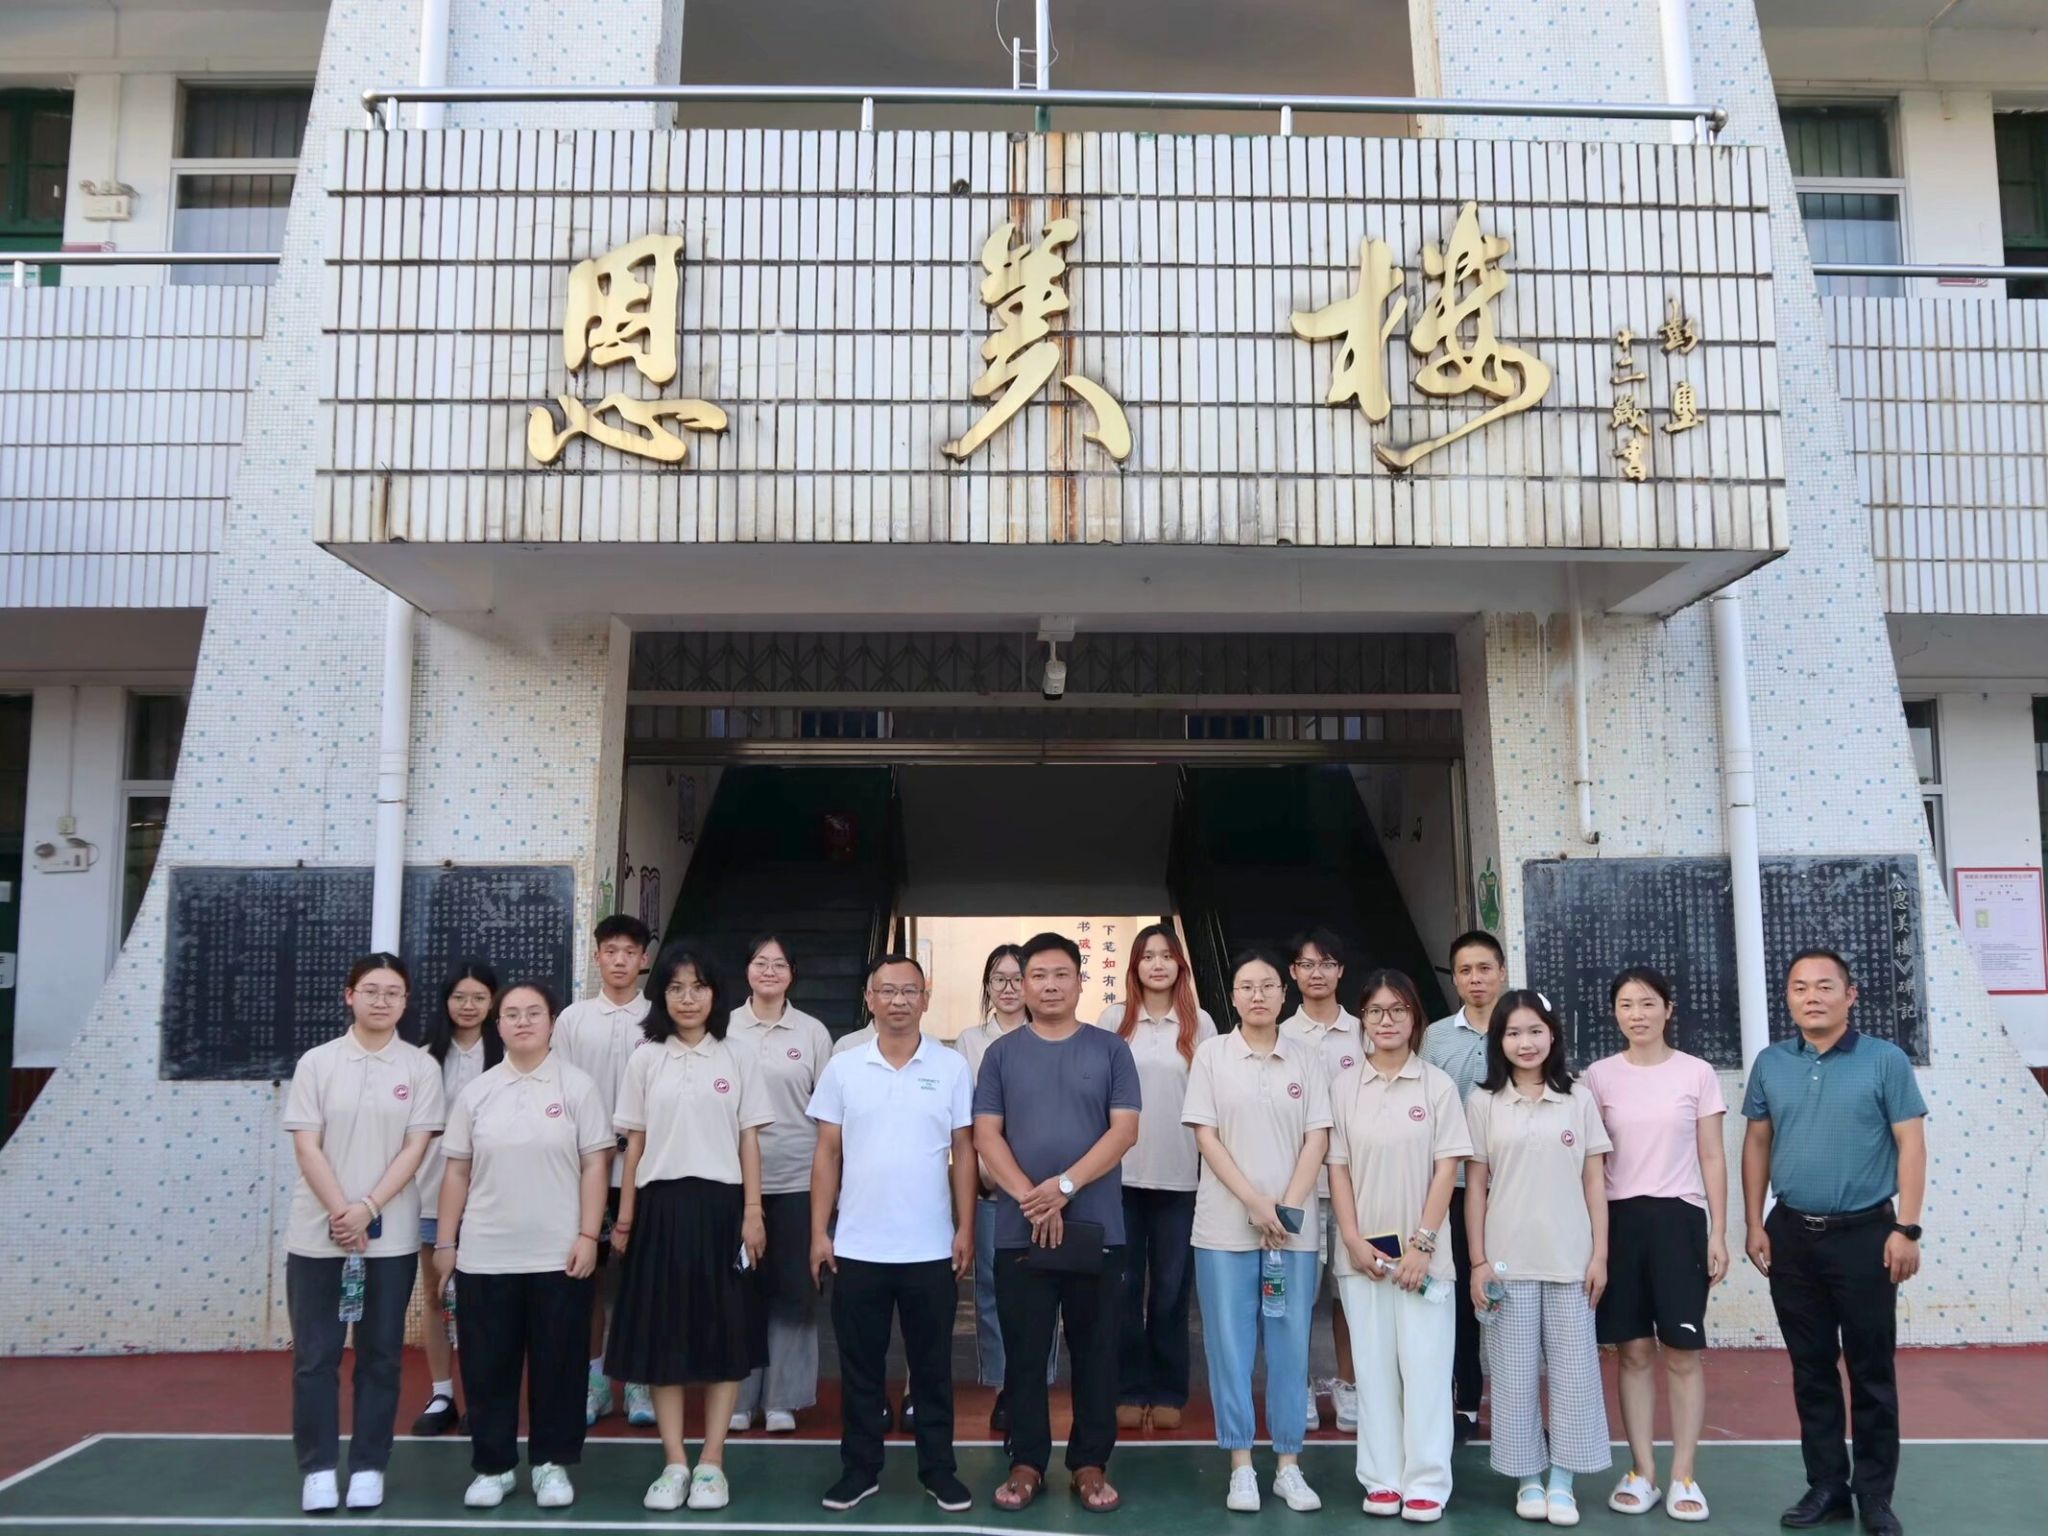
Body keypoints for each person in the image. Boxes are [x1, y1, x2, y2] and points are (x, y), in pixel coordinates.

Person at [1741, 950, 1927, 1536]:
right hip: (1792, 1235)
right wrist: (1753, 1222)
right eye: (1800, 988)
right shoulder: (1771, 1063)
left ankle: (1874, 1495)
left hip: (1867, 1236)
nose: (1812, 997)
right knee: (1811, 1367)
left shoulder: (1885, 1060)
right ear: (1788, 998)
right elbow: (1756, 1143)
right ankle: (1826, 1485)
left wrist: (1907, 1228)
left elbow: (1912, 1144)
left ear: (1851, 995)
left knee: (1871, 1371)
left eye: (1825, 986)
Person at [974, 931, 1141, 1515]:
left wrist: (1064, 1187)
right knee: (1023, 1352)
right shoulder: (1000, 1055)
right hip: (1020, 1228)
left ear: (1079, 982)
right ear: (1022, 986)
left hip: (1097, 1227)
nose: (1049, 985)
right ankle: (1025, 1462)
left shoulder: (1111, 1050)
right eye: (1037, 976)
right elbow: (986, 1134)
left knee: (1096, 1350)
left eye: (1060, 974)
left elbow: (1124, 1131)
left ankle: (1090, 1463)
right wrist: (1032, 1199)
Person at [810, 954, 978, 1514]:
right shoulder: (844, 1067)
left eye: (909, 991)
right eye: (887, 991)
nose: (898, 1000)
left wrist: (965, 1227)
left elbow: (964, 1152)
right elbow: (827, 1154)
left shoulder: (952, 1067)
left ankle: (939, 1470)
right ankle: (859, 1470)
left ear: (926, 998)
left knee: (932, 1369)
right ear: (870, 998)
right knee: (860, 1368)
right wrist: (819, 1231)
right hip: (858, 1247)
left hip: (930, 1248)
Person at [434, 982, 611, 1510]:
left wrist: (588, 1235)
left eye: (534, 1012)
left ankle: (551, 1464)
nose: (523, 1021)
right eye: (511, 1014)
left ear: (552, 1022)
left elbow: (595, 1165)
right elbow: (456, 1171)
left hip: (559, 1254)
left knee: (560, 1365)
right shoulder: (478, 1092)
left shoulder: (577, 1087)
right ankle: (494, 1467)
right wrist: (446, 1241)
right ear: (498, 1024)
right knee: (488, 1366)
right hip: (486, 1253)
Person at [607, 941, 770, 1513]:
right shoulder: (646, 1057)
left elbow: (749, 1140)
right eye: (675, 988)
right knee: (664, 1336)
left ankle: (712, 1462)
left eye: (698, 987)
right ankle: (675, 1461)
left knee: (724, 1335)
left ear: (715, 993)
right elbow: (635, 1146)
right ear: (662, 995)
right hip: (659, 1209)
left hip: (724, 1208)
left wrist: (753, 1212)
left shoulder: (738, 1054)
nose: (687, 998)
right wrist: (625, 1218)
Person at [282, 953, 445, 1514]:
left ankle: (370, 1464)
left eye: (393, 992)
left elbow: (415, 1148)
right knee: (316, 1358)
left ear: (406, 1002)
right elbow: (307, 1145)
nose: (382, 1000)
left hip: (390, 1237)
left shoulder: (420, 1068)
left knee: (381, 1356)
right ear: (348, 995)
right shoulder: (318, 1063)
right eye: (371, 990)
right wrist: (341, 1211)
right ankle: (318, 1469)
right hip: (317, 1234)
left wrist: (369, 1207)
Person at [1185, 947, 1332, 1514]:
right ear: (1233, 996)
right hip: (1224, 1229)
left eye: (1268, 985)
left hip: (1291, 1234)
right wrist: (1253, 1201)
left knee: (1292, 1346)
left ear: (1284, 992)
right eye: (1246, 986)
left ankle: (1289, 1465)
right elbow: (1206, 1136)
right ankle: (1241, 1464)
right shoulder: (1212, 1056)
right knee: (1230, 1347)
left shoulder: (1306, 1059)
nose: (1258, 995)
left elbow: (1318, 1137)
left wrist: (1285, 1210)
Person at [1582, 966, 1729, 1522]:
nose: (1637, 1014)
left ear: (1669, 1009)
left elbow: (1712, 1155)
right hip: (1619, 1221)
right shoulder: (1598, 1077)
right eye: (1626, 1004)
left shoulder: (1697, 1073)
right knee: (1634, 1351)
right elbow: (1591, 1164)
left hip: (1679, 1220)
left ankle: (1684, 1474)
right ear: (1614, 1013)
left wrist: (1719, 1231)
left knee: (1682, 1353)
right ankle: (1642, 1470)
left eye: (1647, 1003)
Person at [1463, 989, 1613, 1528]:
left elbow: (1595, 1183)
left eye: (1534, 1031)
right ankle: (1528, 1478)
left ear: (1552, 1035)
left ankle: (1563, 1482)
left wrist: (1600, 1255)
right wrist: (1479, 1261)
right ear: (1498, 1041)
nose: (1525, 1043)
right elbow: (1475, 1187)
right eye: (1512, 1033)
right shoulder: (1483, 1102)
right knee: (1513, 1377)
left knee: (1575, 1377)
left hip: (1571, 1262)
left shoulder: (1578, 1098)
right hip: (1506, 1263)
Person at [1328, 968, 1471, 1523]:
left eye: (1397, 1010)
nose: (1386, 1021)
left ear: (1415, 1018)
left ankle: (1427, 1481)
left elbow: (1447, 1170)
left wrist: (1423, 1245)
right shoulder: (1343, 1088)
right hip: (1363, 1258)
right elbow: (1338, 1170)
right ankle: (1382, 1478)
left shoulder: (1437, 1086)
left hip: (1424, 1259)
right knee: (1373, 1370)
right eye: (1375, 1011)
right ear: (1362, 1019)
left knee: (1427, 1369)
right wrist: (1351, 1239)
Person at [1095, 922, 1215, 1432]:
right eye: (1148, 956)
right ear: (1135, 966)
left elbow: (1213, 1100)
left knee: (1170, 1290)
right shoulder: (1114, 1020)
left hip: (1181, 1179)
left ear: (1180, 964)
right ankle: (1127, 1386)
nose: (1158, 964)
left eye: (1167, 955)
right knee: (1123, 1288)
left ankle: (1167, 1389)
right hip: (1119, 1178)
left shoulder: (1200, 1024)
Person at [728, 936, 834, 1435]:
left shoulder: (812, 1033)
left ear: (793, 972)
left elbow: (829, 1114)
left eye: (779, 964)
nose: (769, 971)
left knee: (794, 1289)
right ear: (747, 970)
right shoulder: (724, 1027)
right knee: (738, 1290)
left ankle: (783, 1399)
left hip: (796, 1178)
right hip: (731, 1179)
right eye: (760, 962)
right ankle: (736, 1397)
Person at [553, 912, 655, 1428]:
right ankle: (594, 1382)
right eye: (610, 951)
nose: (619, 961)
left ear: (644, 960)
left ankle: (638, 1381)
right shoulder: (572, 1020)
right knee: (586, 1280)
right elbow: (560, 1089)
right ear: (597, 957)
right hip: (585, 1172)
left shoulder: (659, 1017)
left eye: (629, 952)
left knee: (641, 1283)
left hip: (645, 1172)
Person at [954, 942, 1051, 1434]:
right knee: (992, 1292)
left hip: (1046, 1190)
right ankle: (1002, 1389)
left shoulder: (1049, 1034)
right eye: (999, 979)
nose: (1009, 988)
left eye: (1018, 978)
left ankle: (1034, 1386)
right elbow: (965, 1123)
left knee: (1043, 1290)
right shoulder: (969, 1042)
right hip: (993, 1187)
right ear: (987, 987)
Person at [409, 961, 503, 1438]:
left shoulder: (507, 1054)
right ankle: (442, 1393)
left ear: (493, 1002)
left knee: (487, 1304)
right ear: (446, 1001)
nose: (469, 1006)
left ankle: (484, 1397)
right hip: (431, 1195)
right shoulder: (423, 1059)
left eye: (479, 997)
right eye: (459, 997)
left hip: (492, 1198)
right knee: (436, 1295)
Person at [1419, 929, 1506, 1441]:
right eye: (1465, 971)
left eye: (1484, 969)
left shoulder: (1522, 1029)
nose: (1476, 979)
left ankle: (1517, 1406)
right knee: (1458, 1296)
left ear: (1502, 973)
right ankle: (1466, 1403)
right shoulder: (1435, 1037)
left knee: (1511, 1292)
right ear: (1455, 979)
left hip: (1510, 1187)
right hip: (1452, 1186)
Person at [1282, 927, 1362, 1435]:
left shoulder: (1365, 1031)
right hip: (1301, 1187)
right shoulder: (1280, 1034)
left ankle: (1349, 1385)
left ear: (1340, 972)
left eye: (1327, 964)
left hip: (1356, 1187)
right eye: (1307, 964)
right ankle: (1300, 1385)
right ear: (1293, 973)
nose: (1317, 973)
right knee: (1297, 1295)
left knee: (1349, 1291)